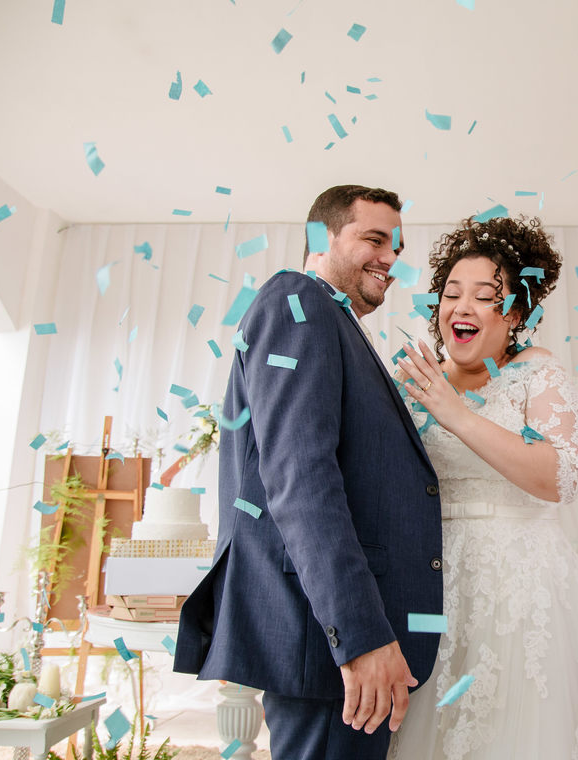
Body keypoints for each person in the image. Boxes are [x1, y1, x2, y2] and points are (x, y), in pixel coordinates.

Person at [174, 185, 444, 760]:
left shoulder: (331, 318)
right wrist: (360, 635)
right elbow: (301, 480)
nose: (391, 259)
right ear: (322, 237)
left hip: (330, 644)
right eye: (375, 239)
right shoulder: (298, 303)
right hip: (326, 644)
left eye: (397, 247)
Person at [387, 216, 578, 759]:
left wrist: (457, 414)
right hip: (431, 587)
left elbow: (561, 477)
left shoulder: (536, 373)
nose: (461, 306)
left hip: (523, 589)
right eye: (451, 293)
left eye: (484, 296)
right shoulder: (416, 383)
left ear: (515, 314)